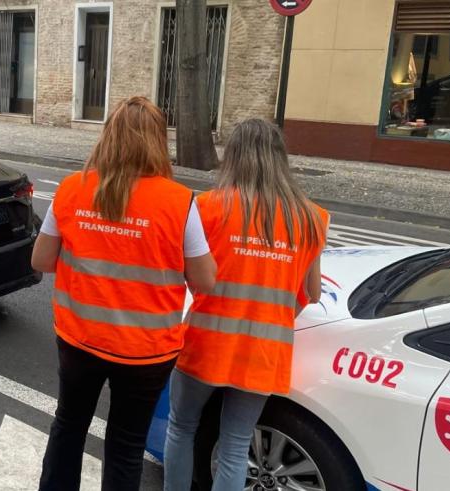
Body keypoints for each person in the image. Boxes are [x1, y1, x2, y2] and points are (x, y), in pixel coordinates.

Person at [32, 96, 216, 490]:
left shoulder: (71, 190)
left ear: (107, 137)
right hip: (147, 351)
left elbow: (42, 260)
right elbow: (204, 281)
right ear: (156, 142)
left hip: (80, 339)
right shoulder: (179, 202)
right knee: (126, 445)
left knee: (69, 425)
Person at [163, 119, 328, 491]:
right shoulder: (311, 218)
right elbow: (312, 291)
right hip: (264, 352)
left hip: (206, 343)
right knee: (236, 447)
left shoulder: (208, 207)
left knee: (182, 427)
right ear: (280, 158)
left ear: (233, 156)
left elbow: (184, 274)